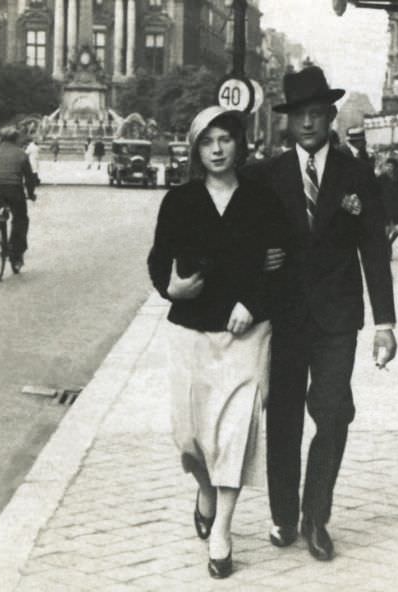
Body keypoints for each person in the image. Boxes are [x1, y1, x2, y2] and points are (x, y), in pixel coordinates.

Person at [247, 65, 397, 562]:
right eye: (299, 116)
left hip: (338, 317)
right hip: (285, 316)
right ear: (288, 122)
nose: (308, 123)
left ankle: (317, 516)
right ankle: (284, 516)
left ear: (330, 116)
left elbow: (374, 247)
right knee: (284, 417)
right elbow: (232, 228)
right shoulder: (268, 175)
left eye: (317, 114)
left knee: (333, 414)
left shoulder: (357, 172)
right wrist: (255, 261)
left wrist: (385, 323)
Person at [147, 106, 285, 580]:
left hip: (247, 332)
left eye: (225, 139)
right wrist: (170, 288)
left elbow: (280, 261)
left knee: (235, 433)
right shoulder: (180, 200)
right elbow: (158, 258)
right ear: (196, 149)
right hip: (191, 329)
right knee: (190, 438)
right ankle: (204, 491)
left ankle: (222, 531)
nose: (218, 149)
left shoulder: (261, 199)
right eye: (208, 142)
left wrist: (253, 299)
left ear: (239, 145)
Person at [0, 127, 37, 270]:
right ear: (16, 139)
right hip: (14, 190)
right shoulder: (21, 154)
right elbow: (29, 178)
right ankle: (16, 254)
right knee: (20, 219)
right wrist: (31, 194)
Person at [376, 157, 398, 257]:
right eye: (387, 166)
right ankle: (387, 250)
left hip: (396, 207)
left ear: (395, 168)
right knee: (386, 230)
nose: (389, 168)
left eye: (391, 166)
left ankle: (388, 244)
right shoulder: (381, 179)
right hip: (384, 207)